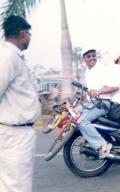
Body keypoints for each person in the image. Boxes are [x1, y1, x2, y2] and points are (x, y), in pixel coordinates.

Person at [0, 16, 41, 192]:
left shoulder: (13, 57)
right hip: (14, 134)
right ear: (23, 34)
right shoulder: (8, 57)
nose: (29, 37)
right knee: (16, 186)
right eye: (29, 34)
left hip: (18, 132)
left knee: (13, 184)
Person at [76, 47, 118, 158]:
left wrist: (98, 92)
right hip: (93, 103)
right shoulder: (88, 72)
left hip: (103, 103)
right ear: (84, 59)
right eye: (88, 56)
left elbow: (114, 86)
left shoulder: (102, 70)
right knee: (73, 112)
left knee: (82, 121)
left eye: (93, 55)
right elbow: (90, 92)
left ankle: (102, 145)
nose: (92, 58)